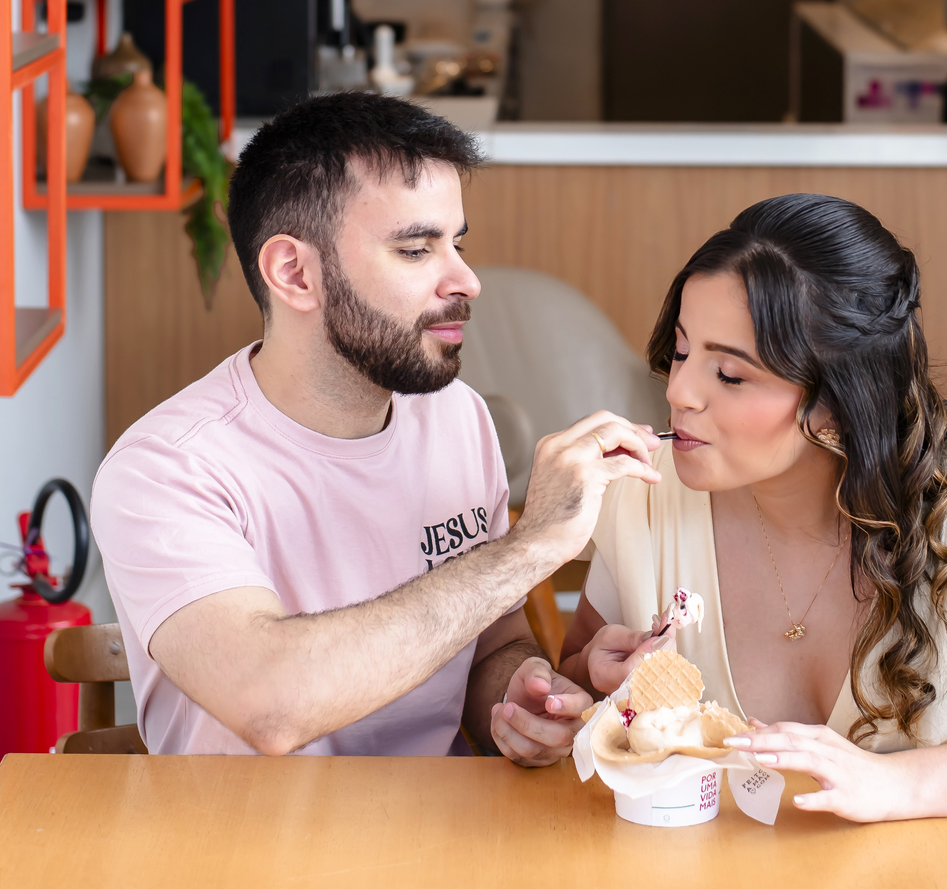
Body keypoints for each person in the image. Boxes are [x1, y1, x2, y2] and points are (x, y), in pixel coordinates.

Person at [558, 194, 947, 823]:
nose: (679, 391)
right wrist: (567, 699)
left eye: (731, 375)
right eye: (682, 351)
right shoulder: (646, 493)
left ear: (839, 398)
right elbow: (582, 685)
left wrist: (899, 784)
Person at [90, 92, 661, 759]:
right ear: (294, 272)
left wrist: (519, 698)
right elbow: (270, 705)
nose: (467, 280)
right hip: (246, 826)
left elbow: (490, 643)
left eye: (456, 244)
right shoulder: (165, 469)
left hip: (439, 819)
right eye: (417, 250)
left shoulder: (457, 416)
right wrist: (531, 547)